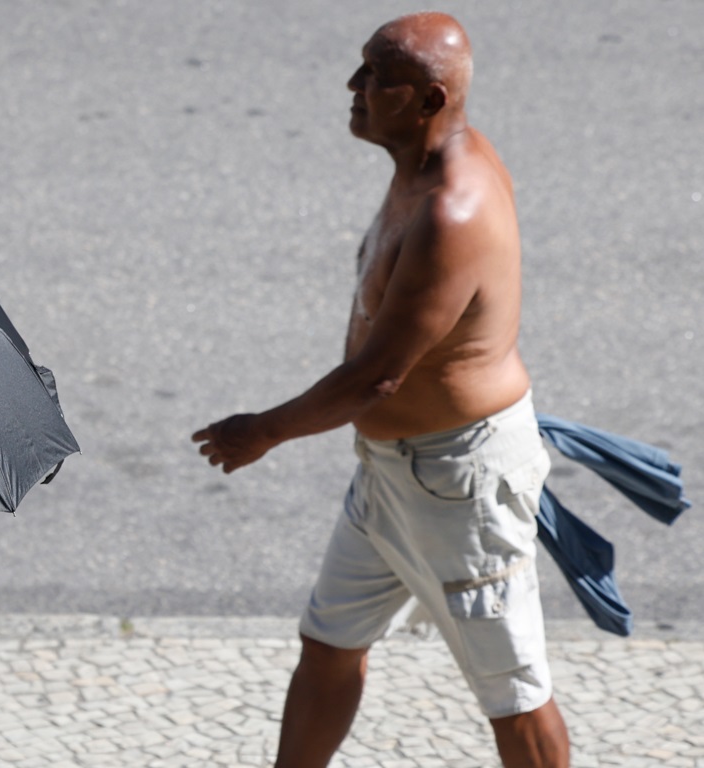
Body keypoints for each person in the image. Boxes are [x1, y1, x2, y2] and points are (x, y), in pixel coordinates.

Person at [192, 13, 570, 768]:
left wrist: (262, 431)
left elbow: (378, 376)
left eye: (375, 76)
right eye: (361, 67)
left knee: (513, 693)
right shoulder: (419, 167)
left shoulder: (452, 211)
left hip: (458, 484)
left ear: (427, 100)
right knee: (329, 639)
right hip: (394, 472)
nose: (353, 86)